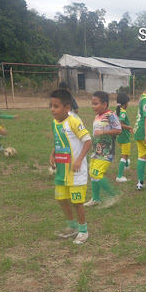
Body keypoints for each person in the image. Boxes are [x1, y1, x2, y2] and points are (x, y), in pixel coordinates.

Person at [49, 88, 92, 244]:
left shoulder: (74, 121)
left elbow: (88, 140)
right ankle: (72, 227)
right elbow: (59, 140)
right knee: (61, 199)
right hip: (62, 171)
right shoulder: (55, 123)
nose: (52, 109)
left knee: (77, 201)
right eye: (51, 106)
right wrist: (53, 153)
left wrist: (79, 159)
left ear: (67, 108)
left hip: (75, 172)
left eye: (56, 106)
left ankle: (83, 230)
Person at [84, 91, 122, 208]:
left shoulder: (110, 115)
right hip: (96, 151)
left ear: (104, 104)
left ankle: (114, 195)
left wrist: (103, 132)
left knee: (97, 174)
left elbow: (118, 130)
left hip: (106, 152)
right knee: (92, 174)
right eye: (92, 104)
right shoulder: (97, 116)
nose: (93, 106)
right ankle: (96, 199)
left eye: (96, 104)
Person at [115, 92, 133, 182]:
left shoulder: (117, 111)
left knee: (126, 152)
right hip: (124, 137)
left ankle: (126, 165)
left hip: (119, 137)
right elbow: (120, 124)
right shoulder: (123, 112)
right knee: (124, 155)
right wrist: (129, 127)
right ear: (126, 103)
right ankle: (119, 176)